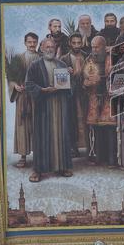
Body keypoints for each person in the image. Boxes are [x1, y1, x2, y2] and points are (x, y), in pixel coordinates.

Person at [24, 37, 73, 182]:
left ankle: (62, 167)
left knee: (61, 135)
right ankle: (38, 170)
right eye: (47, 47)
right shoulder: (35, 65)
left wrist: (69, 77)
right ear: (41, 48)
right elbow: (28, 84)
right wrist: (42, 90)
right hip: (43, 107)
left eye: (52, 47)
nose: (50, 49)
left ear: (55, 48)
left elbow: (68, 87)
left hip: (60, 106)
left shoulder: (62, 64)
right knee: (42, 137)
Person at [83, 36, 117, 167]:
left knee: (109, 127)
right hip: (94, 97)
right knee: (95, 127)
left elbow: (119, 75)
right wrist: (86, 82)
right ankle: (97, 157)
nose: (94, 50)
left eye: (97, 47)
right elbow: (84, 78)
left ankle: (112, 159)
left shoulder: (113, 57)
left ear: (104, 46)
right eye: (92, 47)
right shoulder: (89, 59)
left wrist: (102, 78)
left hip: (109, 97)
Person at [10, 32, 39, 168]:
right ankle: (23, 156)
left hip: (38, 97)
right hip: (22, 97)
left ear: (37, 43)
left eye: (34, 42)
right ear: (25, 43)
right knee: (23, 125)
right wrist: (15, 85)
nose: (32, 44)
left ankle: (39, 154)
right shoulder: (18, 59)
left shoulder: (42, 58)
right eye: (29, 42)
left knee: (38, 124)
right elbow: (11, 78)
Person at [60, 34, 88, 156]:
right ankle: (72, 147)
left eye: (79, 43)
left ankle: (89, 148)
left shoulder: (87, 57)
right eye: (74, 43)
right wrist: (65, 71)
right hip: (69, 94)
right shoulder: (63, 59)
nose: (76, 45)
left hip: (85, 93)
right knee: (71, 119)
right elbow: (59, 80)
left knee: (86, 118)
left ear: (82, 43)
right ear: (70, 44)